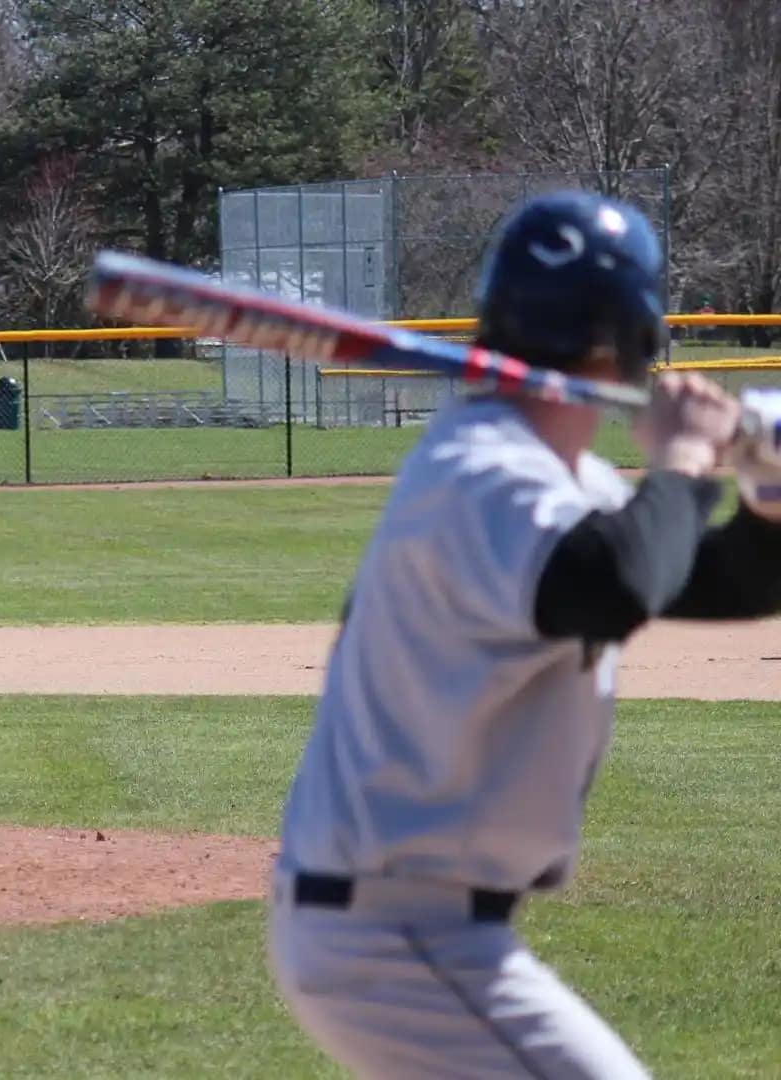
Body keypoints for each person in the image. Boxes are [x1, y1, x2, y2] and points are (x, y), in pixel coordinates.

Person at [266, 189, 781, 1077]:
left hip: (405, 929)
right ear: (637, 337)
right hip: (392, 935)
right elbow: (616, 583)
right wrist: (688, 461)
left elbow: (723, 576)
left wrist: (768, 494)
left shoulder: (541, 476)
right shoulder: (486, 473)